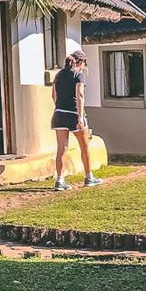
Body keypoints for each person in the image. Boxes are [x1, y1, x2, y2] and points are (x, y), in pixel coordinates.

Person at [51, 49, 101, 190]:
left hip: (59, 114)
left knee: (62, 148)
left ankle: (60, 180)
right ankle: (89, 177)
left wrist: (59, 107)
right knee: (84, 147)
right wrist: (80, 116)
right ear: (81, 62)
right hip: (73, 114)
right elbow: (79, 95)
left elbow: (53, 95)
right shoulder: (78, 76)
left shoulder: (59, 75)